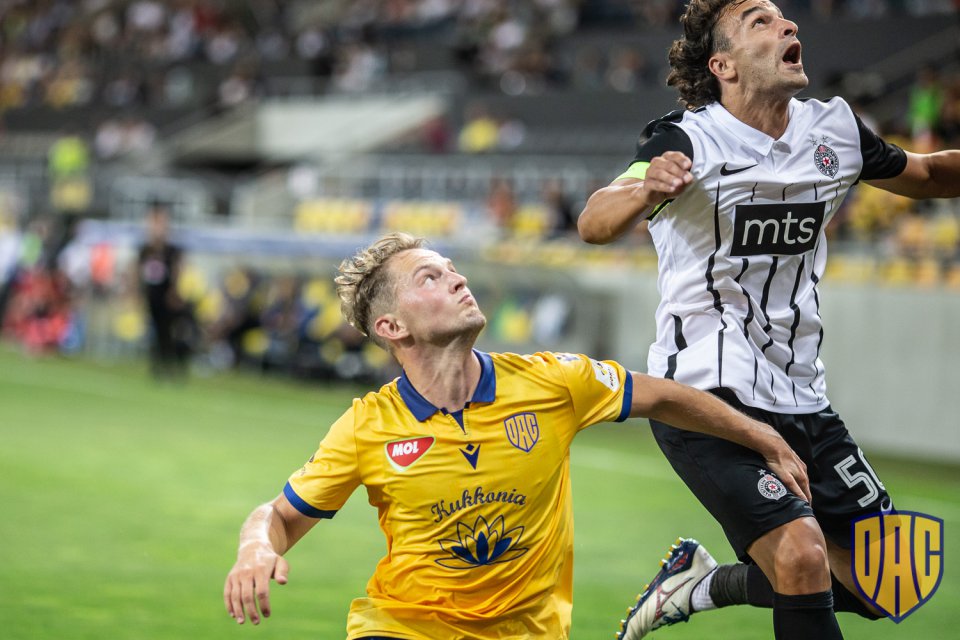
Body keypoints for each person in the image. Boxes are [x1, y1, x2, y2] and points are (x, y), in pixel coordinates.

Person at [577, 2, 960, 639]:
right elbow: (594, 221)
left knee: (888, 579)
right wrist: (645, 188)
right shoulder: (683, 139)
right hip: (706, 392)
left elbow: (923, 175)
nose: (788, 26)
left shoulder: (833, 129)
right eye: (760, 21)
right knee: (802, 555)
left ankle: (702, 585)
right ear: (722, 65)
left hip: (803, 394)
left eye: (784, 18)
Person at [223, 231, 810, 640]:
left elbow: (663, 395)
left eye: (452, 269)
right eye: (431, 277)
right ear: (392, 326)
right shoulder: (365, 427)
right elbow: (278, 515)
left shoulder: (554, 382)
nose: (457, 279)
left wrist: (763, 437)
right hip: (403, 627)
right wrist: (256, 548)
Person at [137, 204, 189, 379]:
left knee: (169, 331)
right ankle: (157, 365)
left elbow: (177, 271)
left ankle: (171, 365)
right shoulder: (146, 249)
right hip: (152, 296)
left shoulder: (171, 250)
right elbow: (139, 272)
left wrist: (175, 292)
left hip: (167, 297)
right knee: (155, 331)